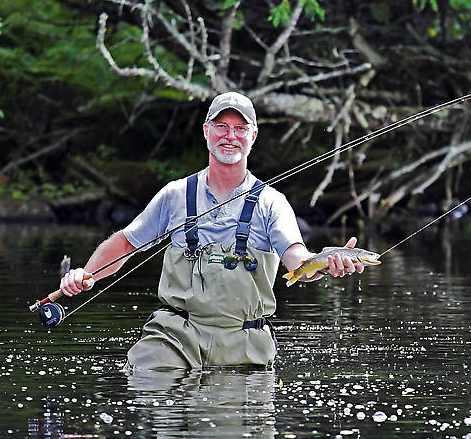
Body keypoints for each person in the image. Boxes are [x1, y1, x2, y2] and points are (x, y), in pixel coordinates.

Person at [60, 91, 365, 370]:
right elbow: (125, 243)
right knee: (144, 375)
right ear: (206, 131)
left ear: (253, 136)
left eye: (240, 128)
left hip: (246, 344)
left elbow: (298, 261)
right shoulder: (174, 194)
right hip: (175, 337)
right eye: (221, 126)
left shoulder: (273, 202)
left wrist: (327, 264)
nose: (229, 136)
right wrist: (85, 275)